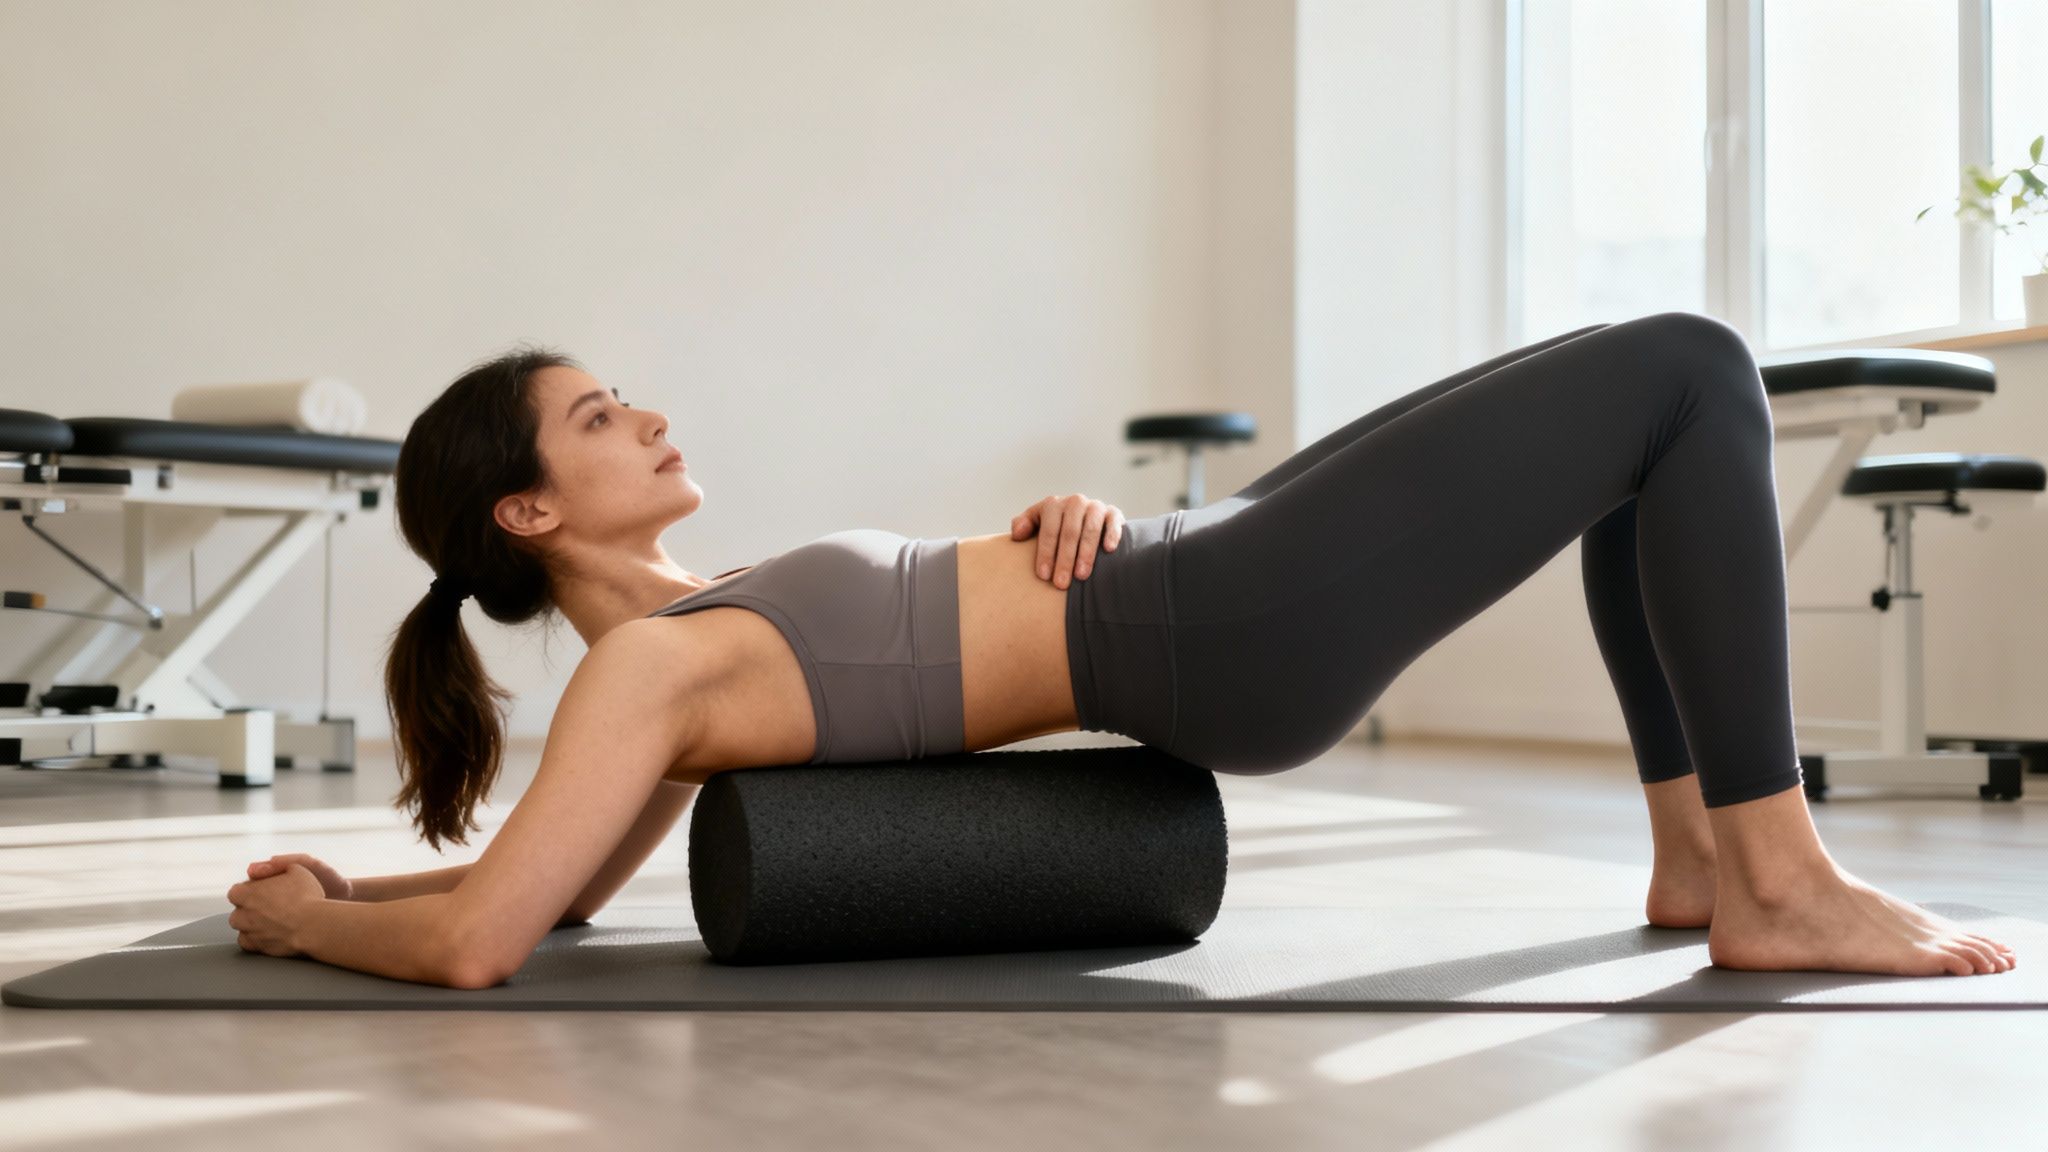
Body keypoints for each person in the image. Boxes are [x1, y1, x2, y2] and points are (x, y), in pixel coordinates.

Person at [225, 314, 2016, 988]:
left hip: (1190, 572)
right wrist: (323, 925)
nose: (651, 416)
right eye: (601, 416)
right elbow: (495, 941)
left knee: (1641, 418)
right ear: (528, 514)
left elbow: (561, 887)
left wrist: (1057, 526)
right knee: (1690, 371)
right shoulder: (648, 678)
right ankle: (1777, 874)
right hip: (1218, 621)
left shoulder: (693, 637)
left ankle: (1704, 861)